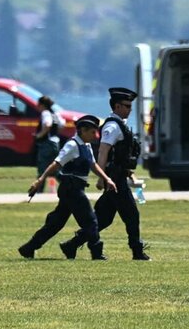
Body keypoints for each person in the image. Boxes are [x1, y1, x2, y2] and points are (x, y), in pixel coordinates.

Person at [61, 87, 150, 260]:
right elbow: (103, 151)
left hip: (118, 176)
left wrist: (128, 173)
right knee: (131, 214)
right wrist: (103, 178)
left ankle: (71, 245)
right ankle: (137, 251)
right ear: (117, 106)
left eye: (130, 106)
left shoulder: (120, 125)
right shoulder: (112, 127)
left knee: (103, 218)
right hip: (114, 179)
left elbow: (120, 155)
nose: (129, 109)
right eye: (126, 106)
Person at [18, 115, 117, 260]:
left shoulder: (86, 145)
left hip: (74, 189)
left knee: (56, 223)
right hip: (72, 189)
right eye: (92, 132)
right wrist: (40, 180)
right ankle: (96, 253)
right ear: (83, 131)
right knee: (91, 221)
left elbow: (93, 164)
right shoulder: (72, 145)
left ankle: (29, 248)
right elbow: (56, 163)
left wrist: (106, 178)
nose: (96, 136)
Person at [34, 95, 62, 177]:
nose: (37, 106)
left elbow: (47, 125)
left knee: (42, 169)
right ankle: (68, 185)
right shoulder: (55, 114)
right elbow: (61, 126)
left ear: (42, 105)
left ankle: (39, 188)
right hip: (55, 143)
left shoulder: (45, 113)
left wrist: (39, 135)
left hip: (47, 144)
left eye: (38, 104)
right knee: (56, 169)